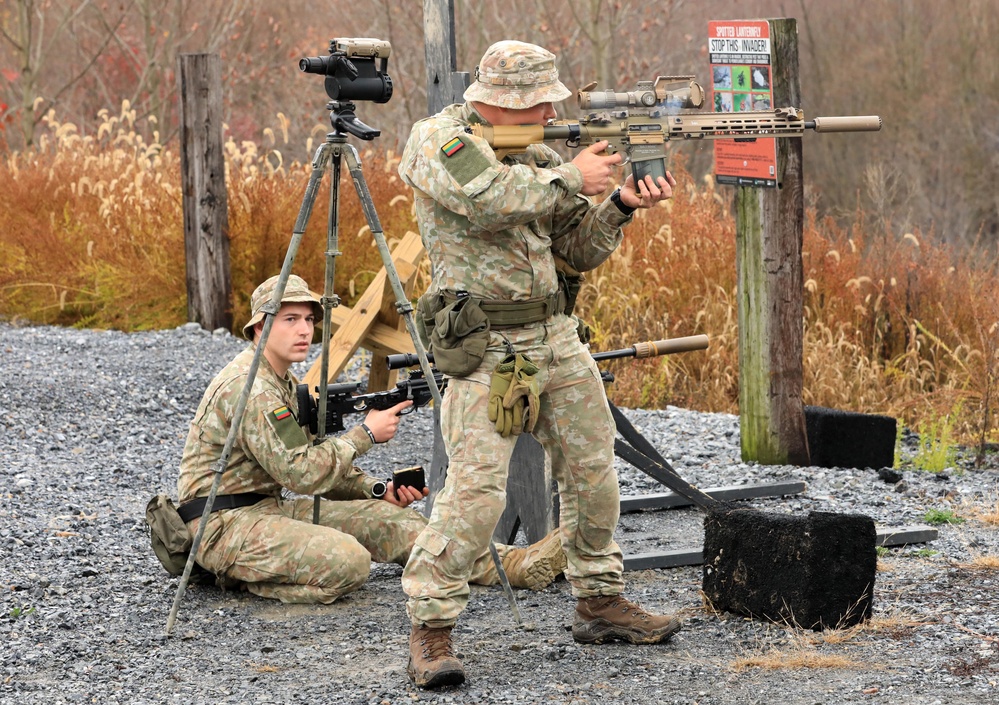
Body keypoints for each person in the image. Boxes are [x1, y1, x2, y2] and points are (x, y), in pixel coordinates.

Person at [398, 40, 683, 688]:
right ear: (501, 101)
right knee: (474, 494)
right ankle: (430, 627)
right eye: (539, 101)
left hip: (553, 333)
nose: (550, 110)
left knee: (592, 474)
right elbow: (487, 198)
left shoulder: (538, 155)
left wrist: (620, 205)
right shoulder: (438, 140)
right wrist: (570, 177)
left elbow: (575, 249)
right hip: (487, 343)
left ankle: (599, 600)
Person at [176, 273, 567, 605]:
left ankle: (512, 565)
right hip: (221, 524)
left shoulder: (281, 379)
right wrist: (365, 435)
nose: (303, 330)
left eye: (309, 320)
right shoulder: (253, 388)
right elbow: (303, 475)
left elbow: (311, 457)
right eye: (289, 319)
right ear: (260, 327)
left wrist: (376, 489)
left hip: (265, 510)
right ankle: (238, 575)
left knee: (392, 521)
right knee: (349, 562)